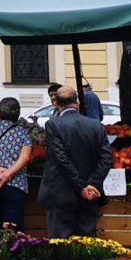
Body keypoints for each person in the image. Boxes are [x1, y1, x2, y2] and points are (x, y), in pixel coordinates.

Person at [41, 86, 113, 239]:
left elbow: (61, 158)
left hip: (61, 193)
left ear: (56, 104)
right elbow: (106, 158)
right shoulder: (96, 126)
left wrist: (82, 186)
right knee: (87, 244)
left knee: (60, 245)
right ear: (78, 103)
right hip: (90, 195)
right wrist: (91, 184)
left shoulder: (53, 125)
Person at [0, 98, 33, 230]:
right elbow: (24, 158)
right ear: (18, 114)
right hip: (15, 183)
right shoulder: (23, 133)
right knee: (13, 230)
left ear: (0, 113)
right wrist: (7, 174)